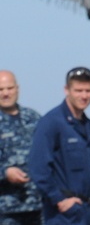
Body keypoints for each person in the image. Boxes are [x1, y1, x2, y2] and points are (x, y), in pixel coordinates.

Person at [27, 67, 90, 225]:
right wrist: (59, 200)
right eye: (78, 90)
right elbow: (38, 167)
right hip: (65, 215)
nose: (84, 96)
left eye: (88, 91)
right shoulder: (51, 122)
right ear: (66, 90)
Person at [0, 71, 42, 225]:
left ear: (17, 89)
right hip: (6, 210)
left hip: (36, 207)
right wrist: (5, 172)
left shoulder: (33, 118)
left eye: (9, 88)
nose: (6, 93)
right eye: (1, 89)